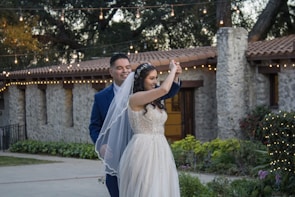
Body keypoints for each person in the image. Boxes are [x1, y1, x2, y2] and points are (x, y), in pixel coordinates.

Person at [89, 53, 181, 197]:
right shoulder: (102, 97)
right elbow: (95, 126)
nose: (125, 70)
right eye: (120, 68)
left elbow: (166, 91)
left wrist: (175, 77)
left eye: (127, 67)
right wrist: (101, 145)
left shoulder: (149, 92)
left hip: (155, 150)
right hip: (127, 151)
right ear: (111, 71)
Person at [118, 61, 181, 196]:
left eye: (157, 78)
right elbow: (164, 89)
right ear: (141, 80)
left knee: (161, 187)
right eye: (151, 78)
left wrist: (175, 76)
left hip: (161, 147)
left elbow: (167, 90)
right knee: (146, 187)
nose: (155, 81)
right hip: (143, 149)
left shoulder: (155, 100)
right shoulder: (135, 98)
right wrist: (172, 70)